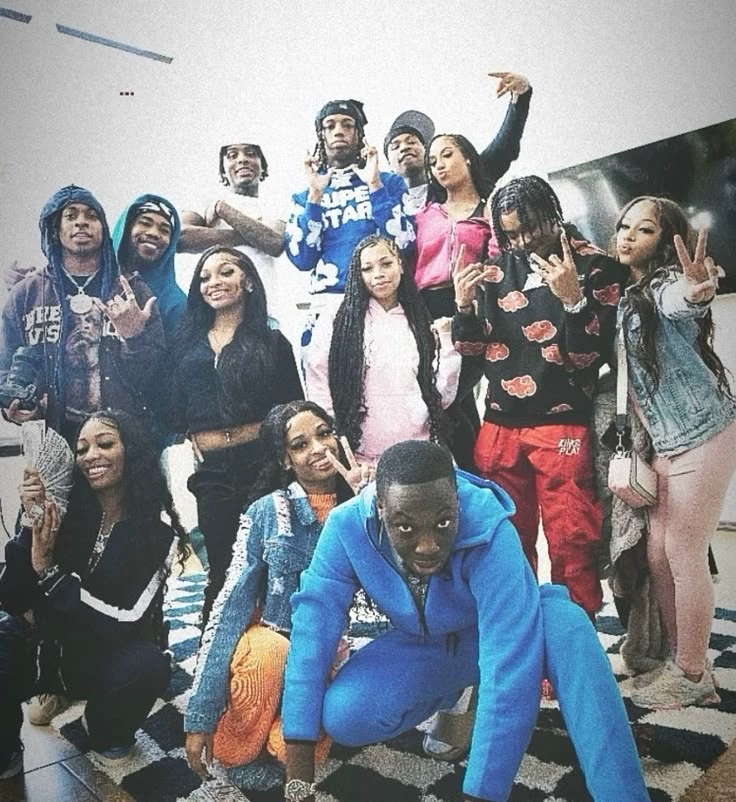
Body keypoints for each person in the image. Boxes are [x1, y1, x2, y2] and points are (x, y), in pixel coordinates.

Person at [280, 440, 649, 802]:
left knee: (566, 627)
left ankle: (622, 792)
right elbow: (311, 636)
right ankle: (462, 694)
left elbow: (509, 669)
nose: (427, 546)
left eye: (443, 522)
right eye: (406, 528)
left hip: (510, 627)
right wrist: (297, 790)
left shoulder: (489, 527)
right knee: (345, 716)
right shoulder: (346, 528)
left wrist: (481, 793)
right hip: (430, 643)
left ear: (457, 502)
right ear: (380, 508)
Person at [452, 175, 629, 617]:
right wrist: (464, 307)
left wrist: (574, 302)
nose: (521, 242)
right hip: (499, 423)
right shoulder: (496, 269)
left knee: (572, 538)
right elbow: (471, 352)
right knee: (506, 542)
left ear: (553, 214)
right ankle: (520, 633)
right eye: (510, 233)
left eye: (529, 228)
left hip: (562, 424)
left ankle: (575, 634)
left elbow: (588, 359)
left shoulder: (597, 267)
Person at [184, 400, 372, 791]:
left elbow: (392, 591)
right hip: (269, 649)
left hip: (323, 655)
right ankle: (236, 750)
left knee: (289, 750)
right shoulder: (266, 512)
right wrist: (200, 715)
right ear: (285, 460)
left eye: (324, 434)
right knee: (271, 652)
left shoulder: (363, 506)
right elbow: (229, 607)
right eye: (300, 445)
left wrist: (371, 510)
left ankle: (276, 734)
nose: (318, 448)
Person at [0, 409, 188, 780]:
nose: (90, 456)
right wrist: (29, 524)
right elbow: (12, 598)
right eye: (82, 449)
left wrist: (50, 574)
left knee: (149, 664)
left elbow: (125, 621)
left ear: (131, 451)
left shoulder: (157, 535)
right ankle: (10, 745)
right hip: (47, 650)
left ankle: (100, 726)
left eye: (105, 444)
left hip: (103, 656)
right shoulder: (64, 512)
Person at [609, 196, 736, 709]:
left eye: (643, 230)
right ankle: (682, 658)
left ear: (665, 241)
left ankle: (692, 675)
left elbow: (682, 299)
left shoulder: (663, 286)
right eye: (624, 226)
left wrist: (697, 289)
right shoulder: (630, 293)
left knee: (683, 553)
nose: (627, 235)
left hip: (703, 432)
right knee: (659, 555)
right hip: (667, 439)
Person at [171, 245, 303, 626]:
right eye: (204, 277)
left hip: (262, 466)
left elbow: (293, 410)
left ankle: (275, 648)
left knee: (268, 564)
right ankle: (217, 650)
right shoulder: (186, 345)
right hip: (211, 472)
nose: (213, 282)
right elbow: (173, 407)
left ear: (247, 281)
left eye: (225, 272)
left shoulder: (273, 343)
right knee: (222, 569)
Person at [0, 185, 165, 444]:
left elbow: (156, 377)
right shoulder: (26, 294)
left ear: (104, 229)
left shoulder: (132, 290)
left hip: (122, 443)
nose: (81, 222)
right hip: (52, 441)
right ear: (55, 230)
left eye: (91, 215)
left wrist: (133, 337)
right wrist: (16, 408)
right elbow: (5, 367)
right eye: (71, 215)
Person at [305, 234, 460, 464]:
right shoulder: (337, 317)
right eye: (367, 268)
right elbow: (318, 374)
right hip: (362, 455)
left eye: (386, 264)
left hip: (419, 447)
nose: (378, 274)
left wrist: (446, 340)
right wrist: (333, 433)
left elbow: (441, 396)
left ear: (401, 265)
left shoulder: (418, 319)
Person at [284, 99, 416, 350]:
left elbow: (404, 243)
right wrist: (315, 196)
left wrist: (375, 186)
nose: (338, 131)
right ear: (321, 135)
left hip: (381, 301)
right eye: (330, 125)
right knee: (323, 376)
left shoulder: (389, 183)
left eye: (347, 124)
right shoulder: (303, 196)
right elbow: (302, 259)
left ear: (359, 133)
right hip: (327, 305)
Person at [384, 70, 532, 216]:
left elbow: (502, 149)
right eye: (395, 146)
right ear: (388, 163)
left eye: (411, 142)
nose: (404, 148)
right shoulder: (382, 202)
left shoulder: (453, 184)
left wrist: (520, 98)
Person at [178, 137, 285, 319]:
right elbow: (181, 237)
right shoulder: (205, 199)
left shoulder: (274, 205)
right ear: (223, 170)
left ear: (262, 166)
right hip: (213, 313)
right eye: (232, 155)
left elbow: (275, 244)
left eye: (251, 154)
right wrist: (252, 236)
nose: (242, 159)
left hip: (262, 314)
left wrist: (223, 210)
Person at [112, 194, 185, 340]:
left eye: (165, 230)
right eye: (145, 223)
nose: (154, 233)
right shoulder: (92, 280)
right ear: (126, 229)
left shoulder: (176, 303)